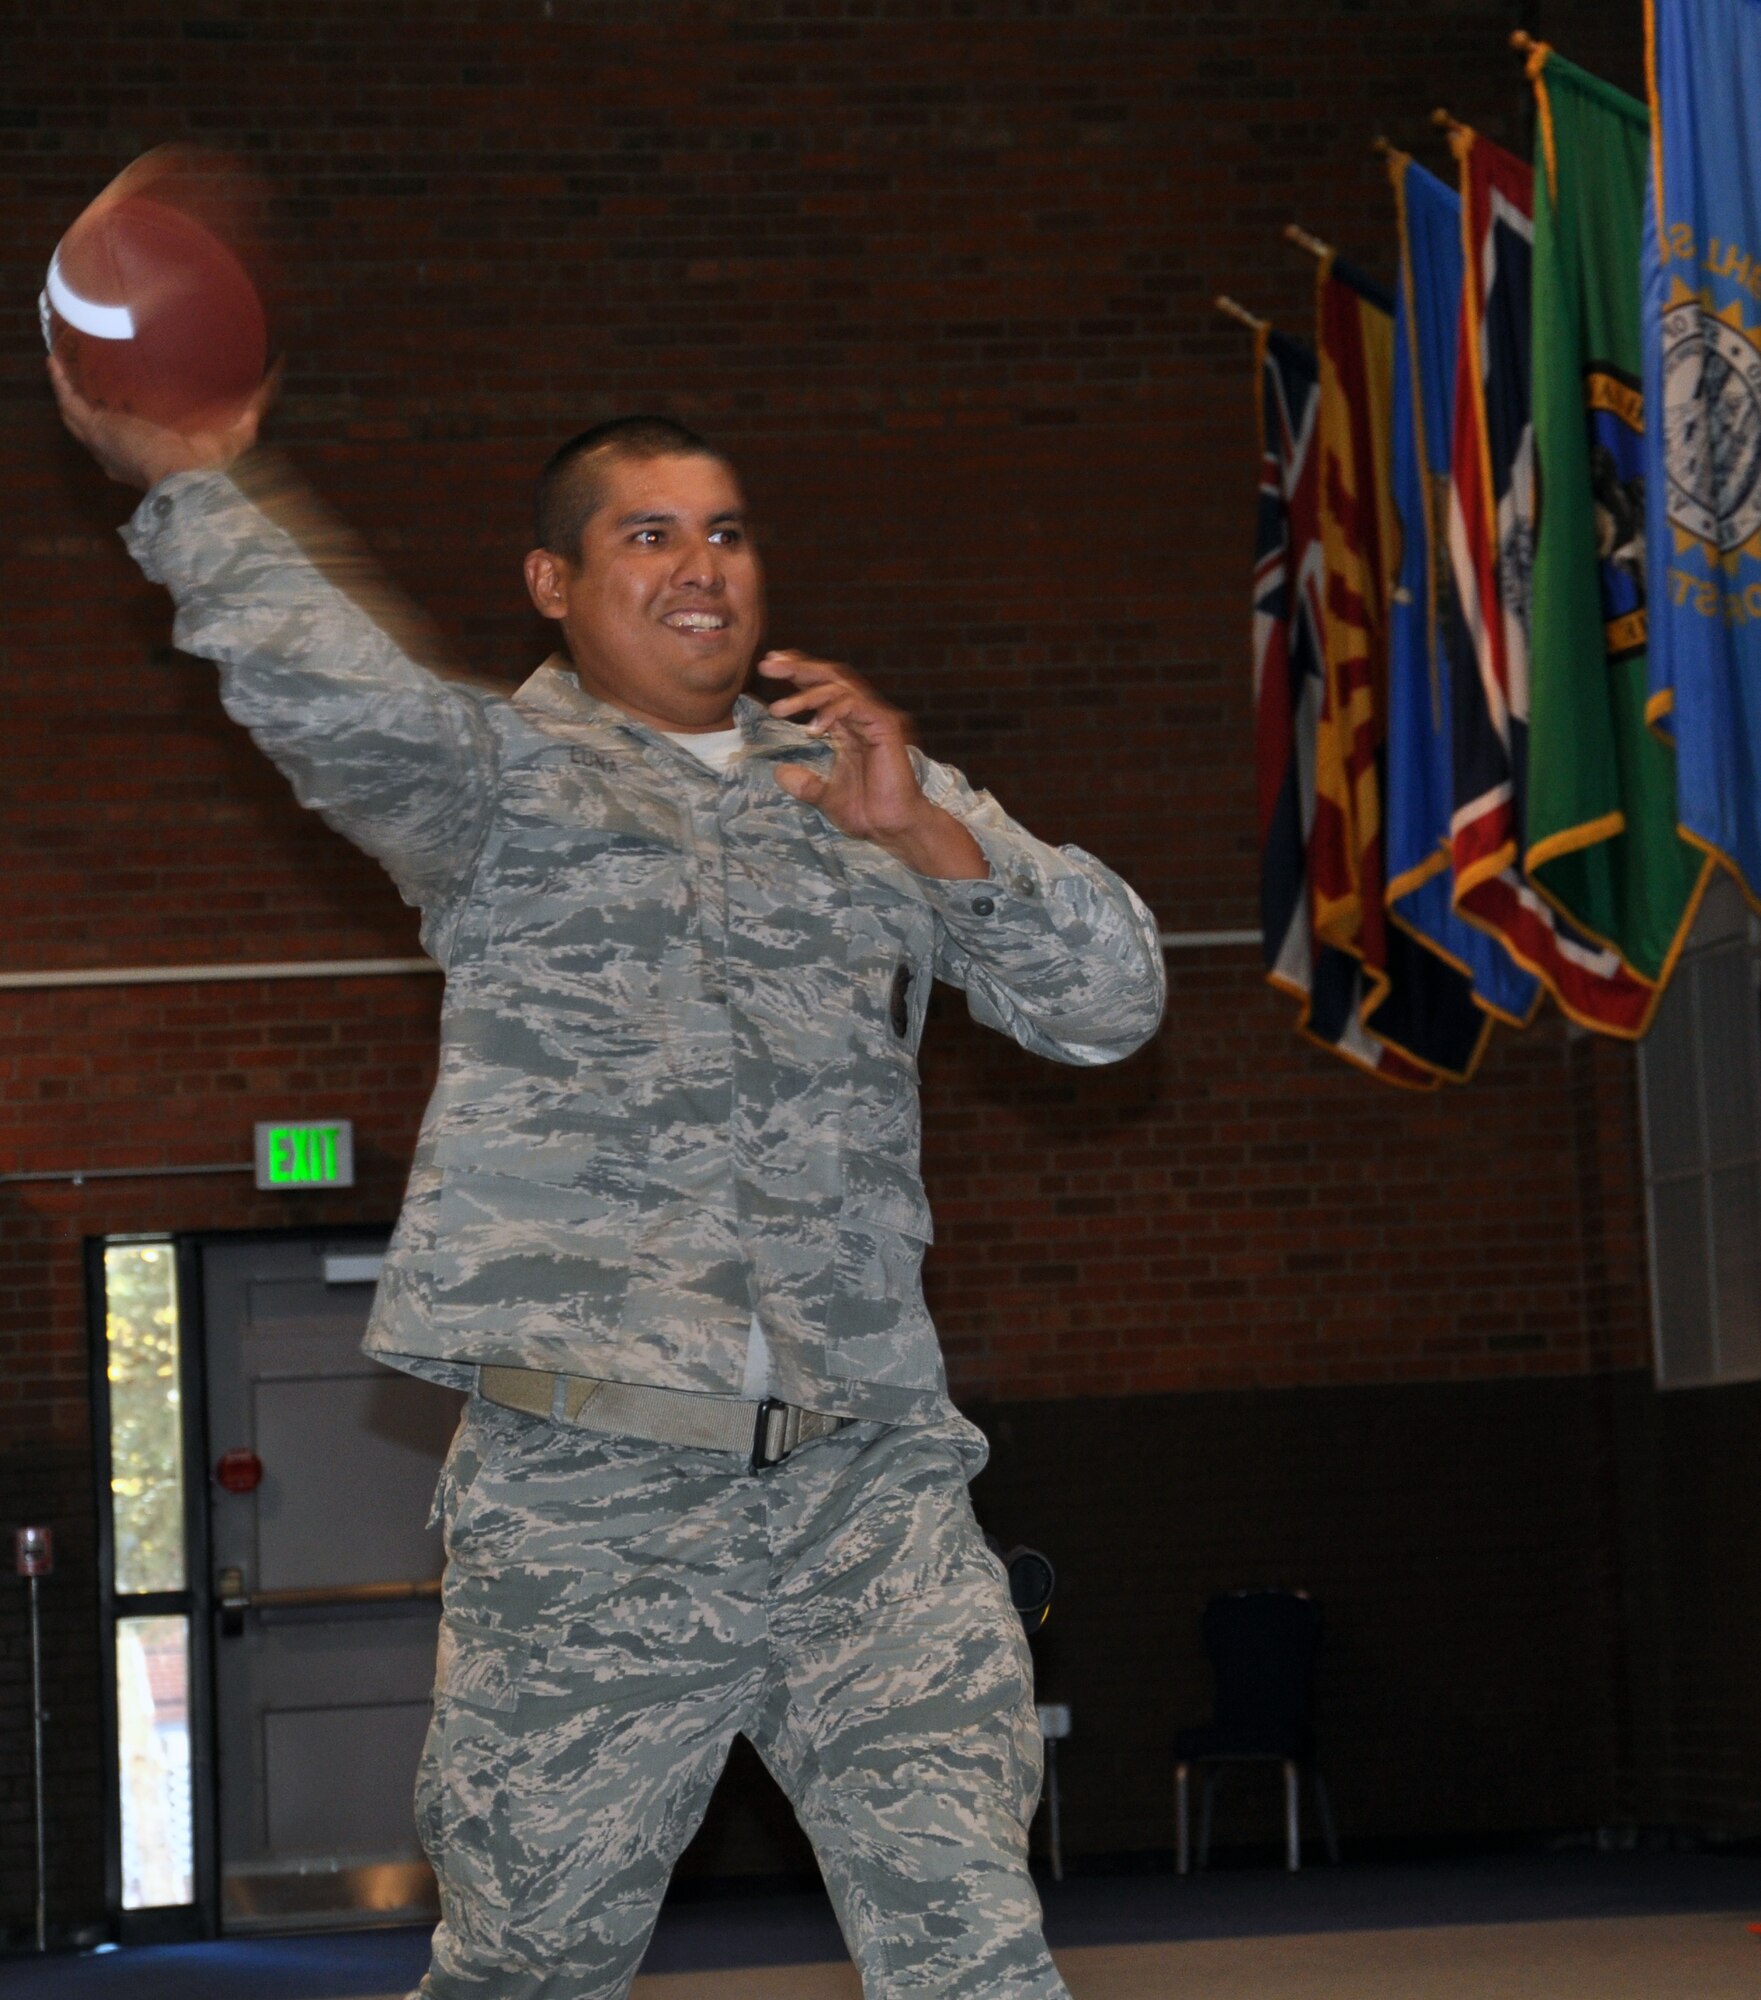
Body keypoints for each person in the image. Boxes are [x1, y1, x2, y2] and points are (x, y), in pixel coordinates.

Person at [51, 358, 1166, 2000]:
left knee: (975, 1953)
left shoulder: (859, 786)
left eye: (724, 532)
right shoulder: (494, 785)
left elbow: (1109, 1006)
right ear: (553, 585)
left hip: (872, 1488)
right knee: (531, 1964)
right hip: (588, 1498)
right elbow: (330, 690)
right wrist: (194, 488)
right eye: (645, 535)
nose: (699, 566)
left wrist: (929, 833)